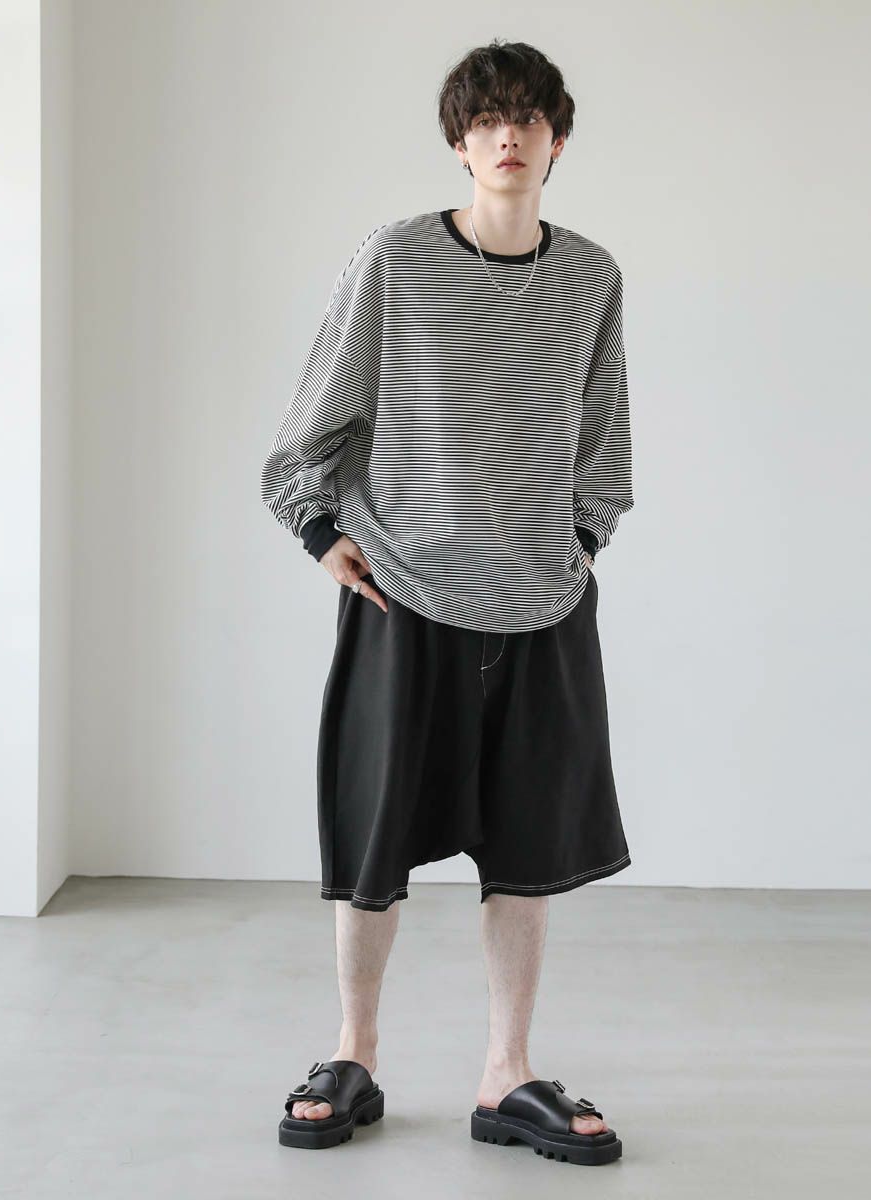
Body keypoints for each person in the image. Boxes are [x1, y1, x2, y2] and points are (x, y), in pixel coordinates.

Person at [260, 38, 633, 1167]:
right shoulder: (397, 259)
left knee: (526, 844)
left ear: (557, 141)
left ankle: (505, 1073)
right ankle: (354, 1054)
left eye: (528, 119)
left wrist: (577, 543)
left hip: (541, 603)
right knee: (375, 836)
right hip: (404, 594)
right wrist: (320, 532)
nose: (507, 136)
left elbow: (602, 440)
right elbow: (316, 420)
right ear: (460, 144)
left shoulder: (591, 278)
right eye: (485, 121)